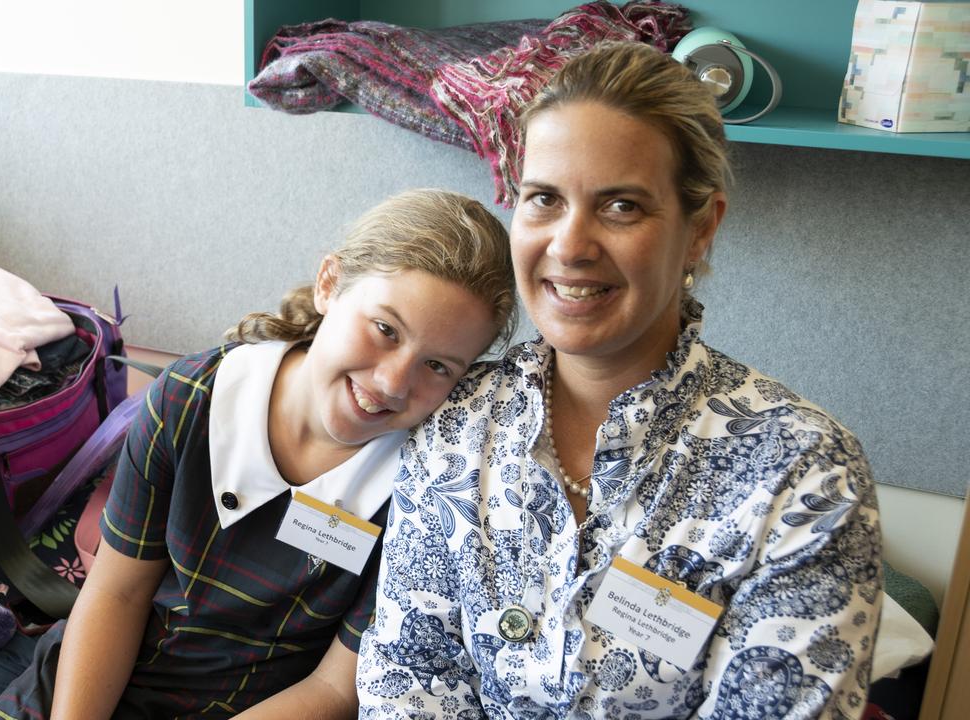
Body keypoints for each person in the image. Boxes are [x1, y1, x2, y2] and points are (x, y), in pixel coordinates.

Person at [356, 42, 882, 719]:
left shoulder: (802, 475)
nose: (570, 246)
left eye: (622, 206)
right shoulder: (459, 424)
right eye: (543, 198)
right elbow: (409, 679)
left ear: (700, 230)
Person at [0, 188, 517, 719]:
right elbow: (115, 595)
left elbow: (334, 688)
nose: (394, 383)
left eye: (439, 366)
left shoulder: (427, 489)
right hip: (96, 679)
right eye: (384, 329)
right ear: (330, 285)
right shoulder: (189, 399)